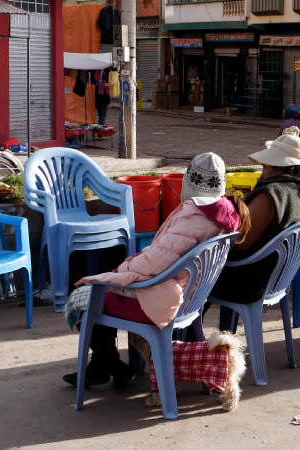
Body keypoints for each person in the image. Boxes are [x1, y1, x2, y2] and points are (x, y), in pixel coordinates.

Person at [63, 152, 251, 388]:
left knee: (82, 299)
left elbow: (157, 264)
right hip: (190, 297)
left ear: (189, 182)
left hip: (163, 299)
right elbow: (164, 257)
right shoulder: (226, 214)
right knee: (101, 289)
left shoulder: (194, 217)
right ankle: (108, 366)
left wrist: (121, 270)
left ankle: (107, 364)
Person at [209, 134, 300, 330]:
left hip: (249, 281)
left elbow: (241, 243)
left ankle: (181, 346)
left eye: (266, 167)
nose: (262, 173)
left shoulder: (272, 194)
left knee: (188, 277)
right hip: (276, 279)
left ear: (280, 167)